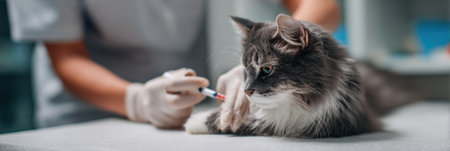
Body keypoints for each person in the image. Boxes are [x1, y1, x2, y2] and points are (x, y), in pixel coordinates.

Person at [7, 0, 340, 129]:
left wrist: (274, 56)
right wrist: (136, 101)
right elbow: (67, 58)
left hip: (187, 109)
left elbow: (322, 5)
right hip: (82, 118)